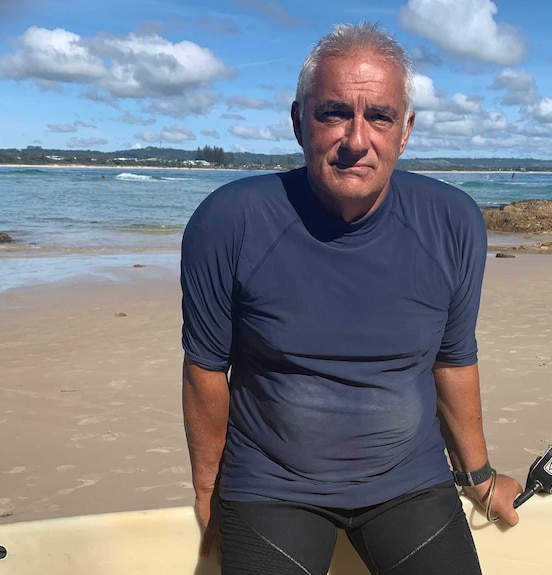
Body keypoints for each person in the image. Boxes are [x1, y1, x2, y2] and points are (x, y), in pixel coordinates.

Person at [180, 21, 522, 575]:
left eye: (379, 116)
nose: (357, 139)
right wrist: (206, 490)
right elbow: (205, 368)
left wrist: (479, 477)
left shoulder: (452, 223)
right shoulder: (230, 221)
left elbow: (454, 359)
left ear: (405, 129)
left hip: (409, 480)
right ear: (298, 121)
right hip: (272, 485)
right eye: (334, 112)